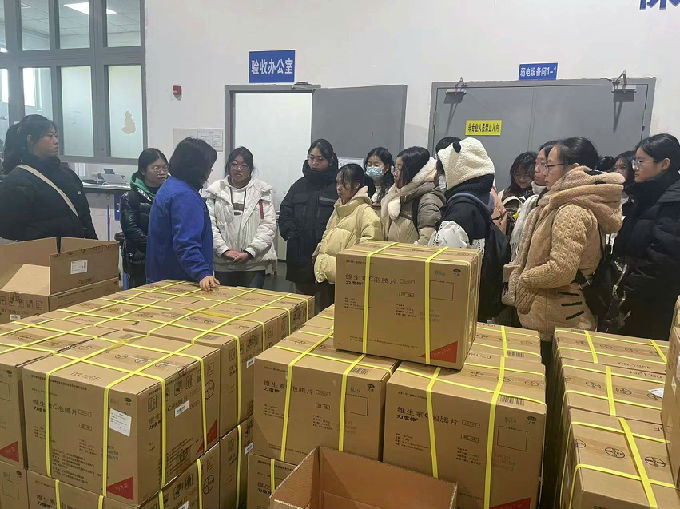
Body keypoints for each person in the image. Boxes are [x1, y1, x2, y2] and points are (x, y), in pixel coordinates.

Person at [508, 137, 623, 361]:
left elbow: (561, 269)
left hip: (557, 319)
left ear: (573, 169)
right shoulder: (565, 202)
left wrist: (525, 279)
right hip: (555, 314)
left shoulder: (571, 210)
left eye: (549, 165)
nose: (543, 171)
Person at [429, 137, 509, 321]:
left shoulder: (461, 212)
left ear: (457, 173)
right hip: (474, 304)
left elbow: (441, 269)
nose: (441, 178)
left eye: (443, 172)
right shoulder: (480, 204)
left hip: (453, 313)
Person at [613, 133, 680, 341]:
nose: (635, 167)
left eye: (641, 162)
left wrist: (628, 293)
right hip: (632, 295)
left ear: (664, 164)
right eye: (634, 161)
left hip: (651, 305)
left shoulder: (673, 202)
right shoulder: (646, 195)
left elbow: (662, 258)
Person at [0, 114, 97, 241]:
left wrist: (95, 244)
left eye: (56, 136)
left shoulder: (68, 174)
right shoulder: (17, 181)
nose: (56, 141)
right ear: (31, 139)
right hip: (42, 251)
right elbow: (10, 231)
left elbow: (84, 217)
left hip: (77, 249)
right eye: (49, 136)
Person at [146, 137, 220, 291]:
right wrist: (202, 272)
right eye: (209, 168)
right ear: (197, 169)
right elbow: (186, 243)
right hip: (179, 282)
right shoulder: (185, 196)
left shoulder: (170, 186)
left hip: (161, 278)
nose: (208, 174)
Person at [313, 164, 383, 309]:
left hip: (346, 283)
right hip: (325, 278)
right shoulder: (338, 208)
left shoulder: (366, 213)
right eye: (337, 183)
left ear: (356, 185)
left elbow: (369, 249)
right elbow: (327, 234)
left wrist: (350, 272)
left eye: (343, 183)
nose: (338, 188)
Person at [205, 147, 276, 289]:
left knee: (251, 301)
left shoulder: (262, 191)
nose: (238, 169)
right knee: (223, 301)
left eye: (244, 165)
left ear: (251, 169)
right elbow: (209, 224)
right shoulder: (216, 190)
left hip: (253, 264)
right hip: (223, 263)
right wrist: (224, 250)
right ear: (228, 166)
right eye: (234, 164)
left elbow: (268, 226)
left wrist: (250, 252)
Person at [279, 139, 339, 297]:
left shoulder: (337, 187)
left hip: (326, 255)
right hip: (300, 255)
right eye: (311, 158)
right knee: (301, 302)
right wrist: (291, 234)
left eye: (320, 159)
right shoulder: (299, 185)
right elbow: (285, 211)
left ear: (330, 161)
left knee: (326, 302)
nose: (314, 163)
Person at [120, 148, 168, 288]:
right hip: (140, 259)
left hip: (165, 258)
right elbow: (131, 230)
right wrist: (157, 245)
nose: (162, 172)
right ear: (143, 170)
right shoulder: (131, 197)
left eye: (164, 168)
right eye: (156, 168)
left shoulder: (171, 194)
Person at [381, 146, 444, 244]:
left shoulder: (427, 200)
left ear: (413, 172)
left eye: (399, 169)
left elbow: (427, 241)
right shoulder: (397, 194)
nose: (395, 173)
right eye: (395, 168)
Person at [509, 141, 556, 260]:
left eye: (544, 164)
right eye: (536, 164)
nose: (536, 170)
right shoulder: (533, 199)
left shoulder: (557, 203)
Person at [499, 152, 537, 237]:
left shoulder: (538, 197)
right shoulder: (503, 194)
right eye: (517, 175)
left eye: (526, 175)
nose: (521, 179)